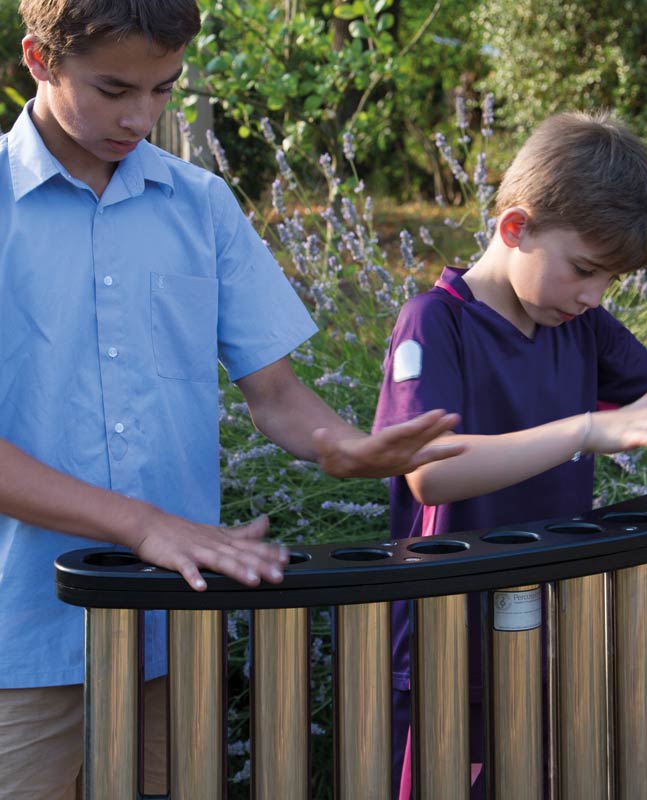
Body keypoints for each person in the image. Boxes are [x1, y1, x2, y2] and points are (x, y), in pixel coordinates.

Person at [0, 1, 467, 797]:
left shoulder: (202, 204)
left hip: (173, 633)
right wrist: (148, 525)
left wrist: (340, 447)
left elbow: (277, 393)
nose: (141, 117)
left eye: (163, 89)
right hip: (20, 637)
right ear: (38, 59)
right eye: (114, 89)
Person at [372, 111, 647, 799]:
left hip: (545, 629)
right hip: (448, 643)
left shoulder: (582, 325)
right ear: (517, 228)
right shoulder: (433, 322)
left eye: (611, 281)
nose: (595, 295)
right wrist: (582, 432)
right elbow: (433, 473)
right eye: (585, 270)